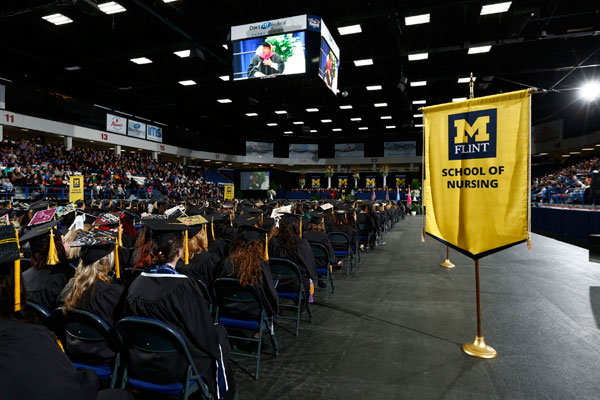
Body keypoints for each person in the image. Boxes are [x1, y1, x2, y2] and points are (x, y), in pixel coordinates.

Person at [125, 219, 236, 400]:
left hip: (139, 361)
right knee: (218, 335)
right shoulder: (183, 286)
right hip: (176, 365)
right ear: (179, 252)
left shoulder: (136, 283)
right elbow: (201, 331)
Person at [59, 230, 125, 366]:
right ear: (106, 261)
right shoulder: (113, 293)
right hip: (102, 356)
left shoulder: (68, 288)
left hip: (72, 352)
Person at [20, 220, 74, 311]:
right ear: (57, 247)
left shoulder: (21, 278)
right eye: (63, 241)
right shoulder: (66, 277)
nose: (66, 245)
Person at [220, 239, 279, 319]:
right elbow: (269, 290)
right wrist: (275, 309)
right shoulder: (260, 264)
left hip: (229, 309)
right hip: (254, 312)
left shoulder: (227, 262)